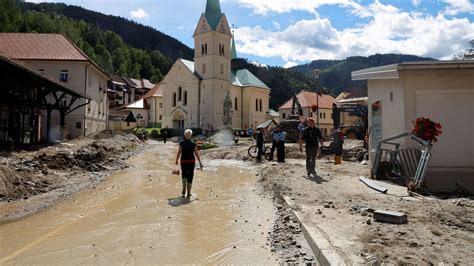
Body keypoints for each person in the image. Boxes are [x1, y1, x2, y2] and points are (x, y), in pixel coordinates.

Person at [175, 129, 203, 198]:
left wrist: (176, 160)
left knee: (184, 174)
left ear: (184, 135)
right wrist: (200, 162)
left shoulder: (181, 143)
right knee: (190, 175)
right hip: (191, 161)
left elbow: (179, 152)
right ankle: (189, 192)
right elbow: (196, 153)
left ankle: (184, 189)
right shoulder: (193, 143)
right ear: (191, 135)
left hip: (183, 161)